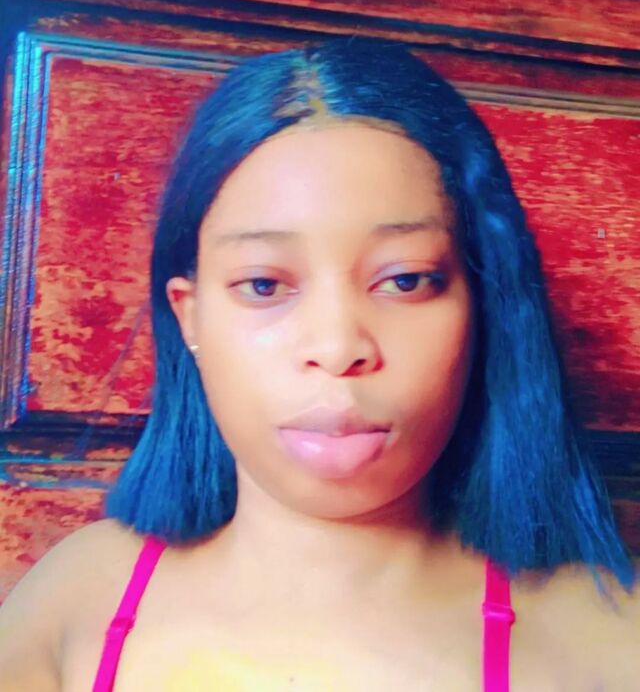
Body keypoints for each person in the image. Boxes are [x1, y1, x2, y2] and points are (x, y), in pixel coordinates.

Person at [0, 36, 637, 691]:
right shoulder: (74, 606)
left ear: (483, 309)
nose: (337, 347)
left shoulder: (610, 643)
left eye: (406, 280)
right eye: (264, 285)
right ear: (190, 318)